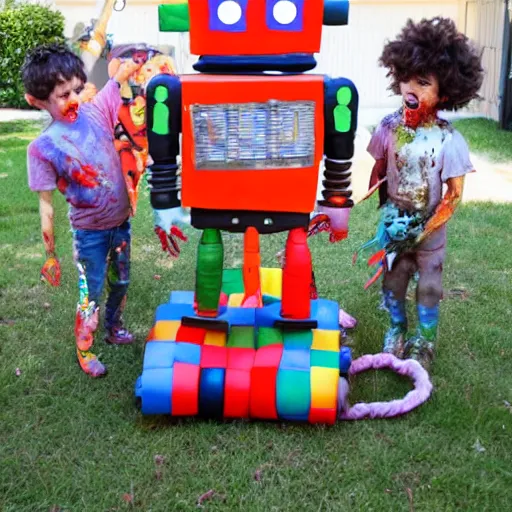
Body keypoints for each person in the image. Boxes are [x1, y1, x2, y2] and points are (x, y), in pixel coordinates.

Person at [364, 17, 484, 368]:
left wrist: (427, 227)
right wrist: (379, 201)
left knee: (429, 286)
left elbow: (454, 195)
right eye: (406, 78)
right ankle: (397, 330)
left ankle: (424, 341)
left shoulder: (450, 140)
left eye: (423, 82)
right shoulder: (388, 127)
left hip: (431, 229)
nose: (410, 89)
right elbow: (380, 168)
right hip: (395, 225)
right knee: (394, 279)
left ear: (445, 91)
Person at [22, 43, 143, 377]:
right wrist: (50, 254)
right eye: (63, 95)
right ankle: (85, 347)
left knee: (121, 280)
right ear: (37, 101)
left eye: (77, 88)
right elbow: (46, 206)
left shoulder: (96, 109)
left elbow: (116, 78)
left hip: (120, 223)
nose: (74, 99)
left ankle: (114, 326)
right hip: (89, 232)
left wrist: (132, 63)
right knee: (90, 290)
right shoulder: (43, 148)